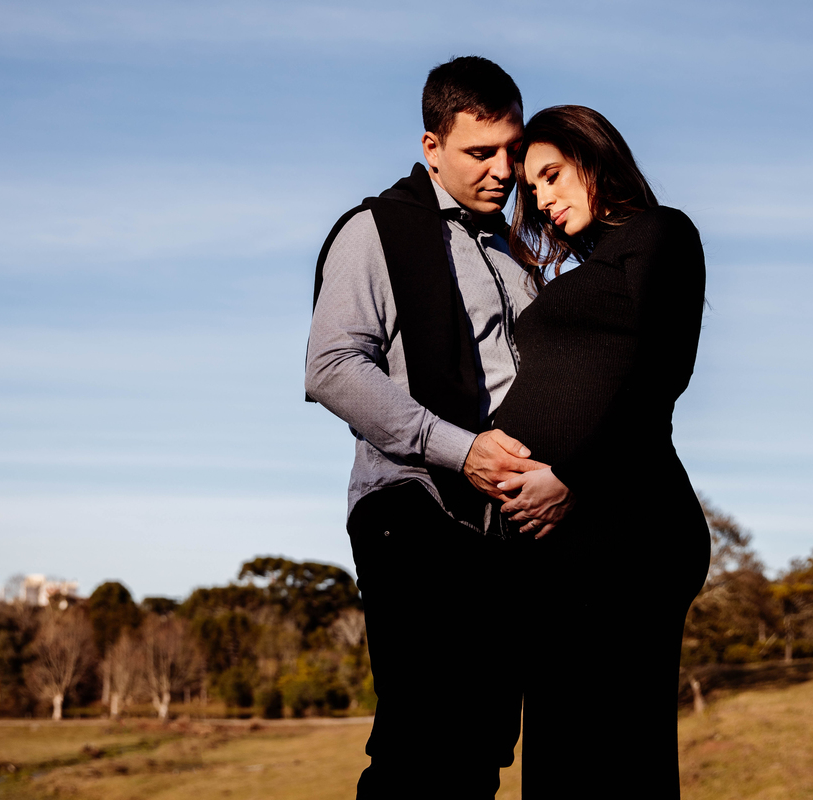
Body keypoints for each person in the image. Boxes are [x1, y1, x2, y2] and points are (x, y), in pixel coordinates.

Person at [304, 56, 539, 798]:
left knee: (482, 749)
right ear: (431, 146)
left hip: (507, 524)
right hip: (414, 510)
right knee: (422, 745)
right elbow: (332, 367)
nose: (504, 171)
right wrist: (460, 451)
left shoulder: (517, 248)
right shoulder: (373, 231)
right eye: (481, 152)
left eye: (513, 150)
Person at [491, 105, 713, 797]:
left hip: (628, 526)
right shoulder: (586, 270)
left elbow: (662, 370)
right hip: (567, 540)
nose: (542, 199)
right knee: (563, 754)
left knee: (620, 754)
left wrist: (573, 476)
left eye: (552, 174)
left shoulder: (661, 232)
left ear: (593, 156)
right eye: (532, 188)